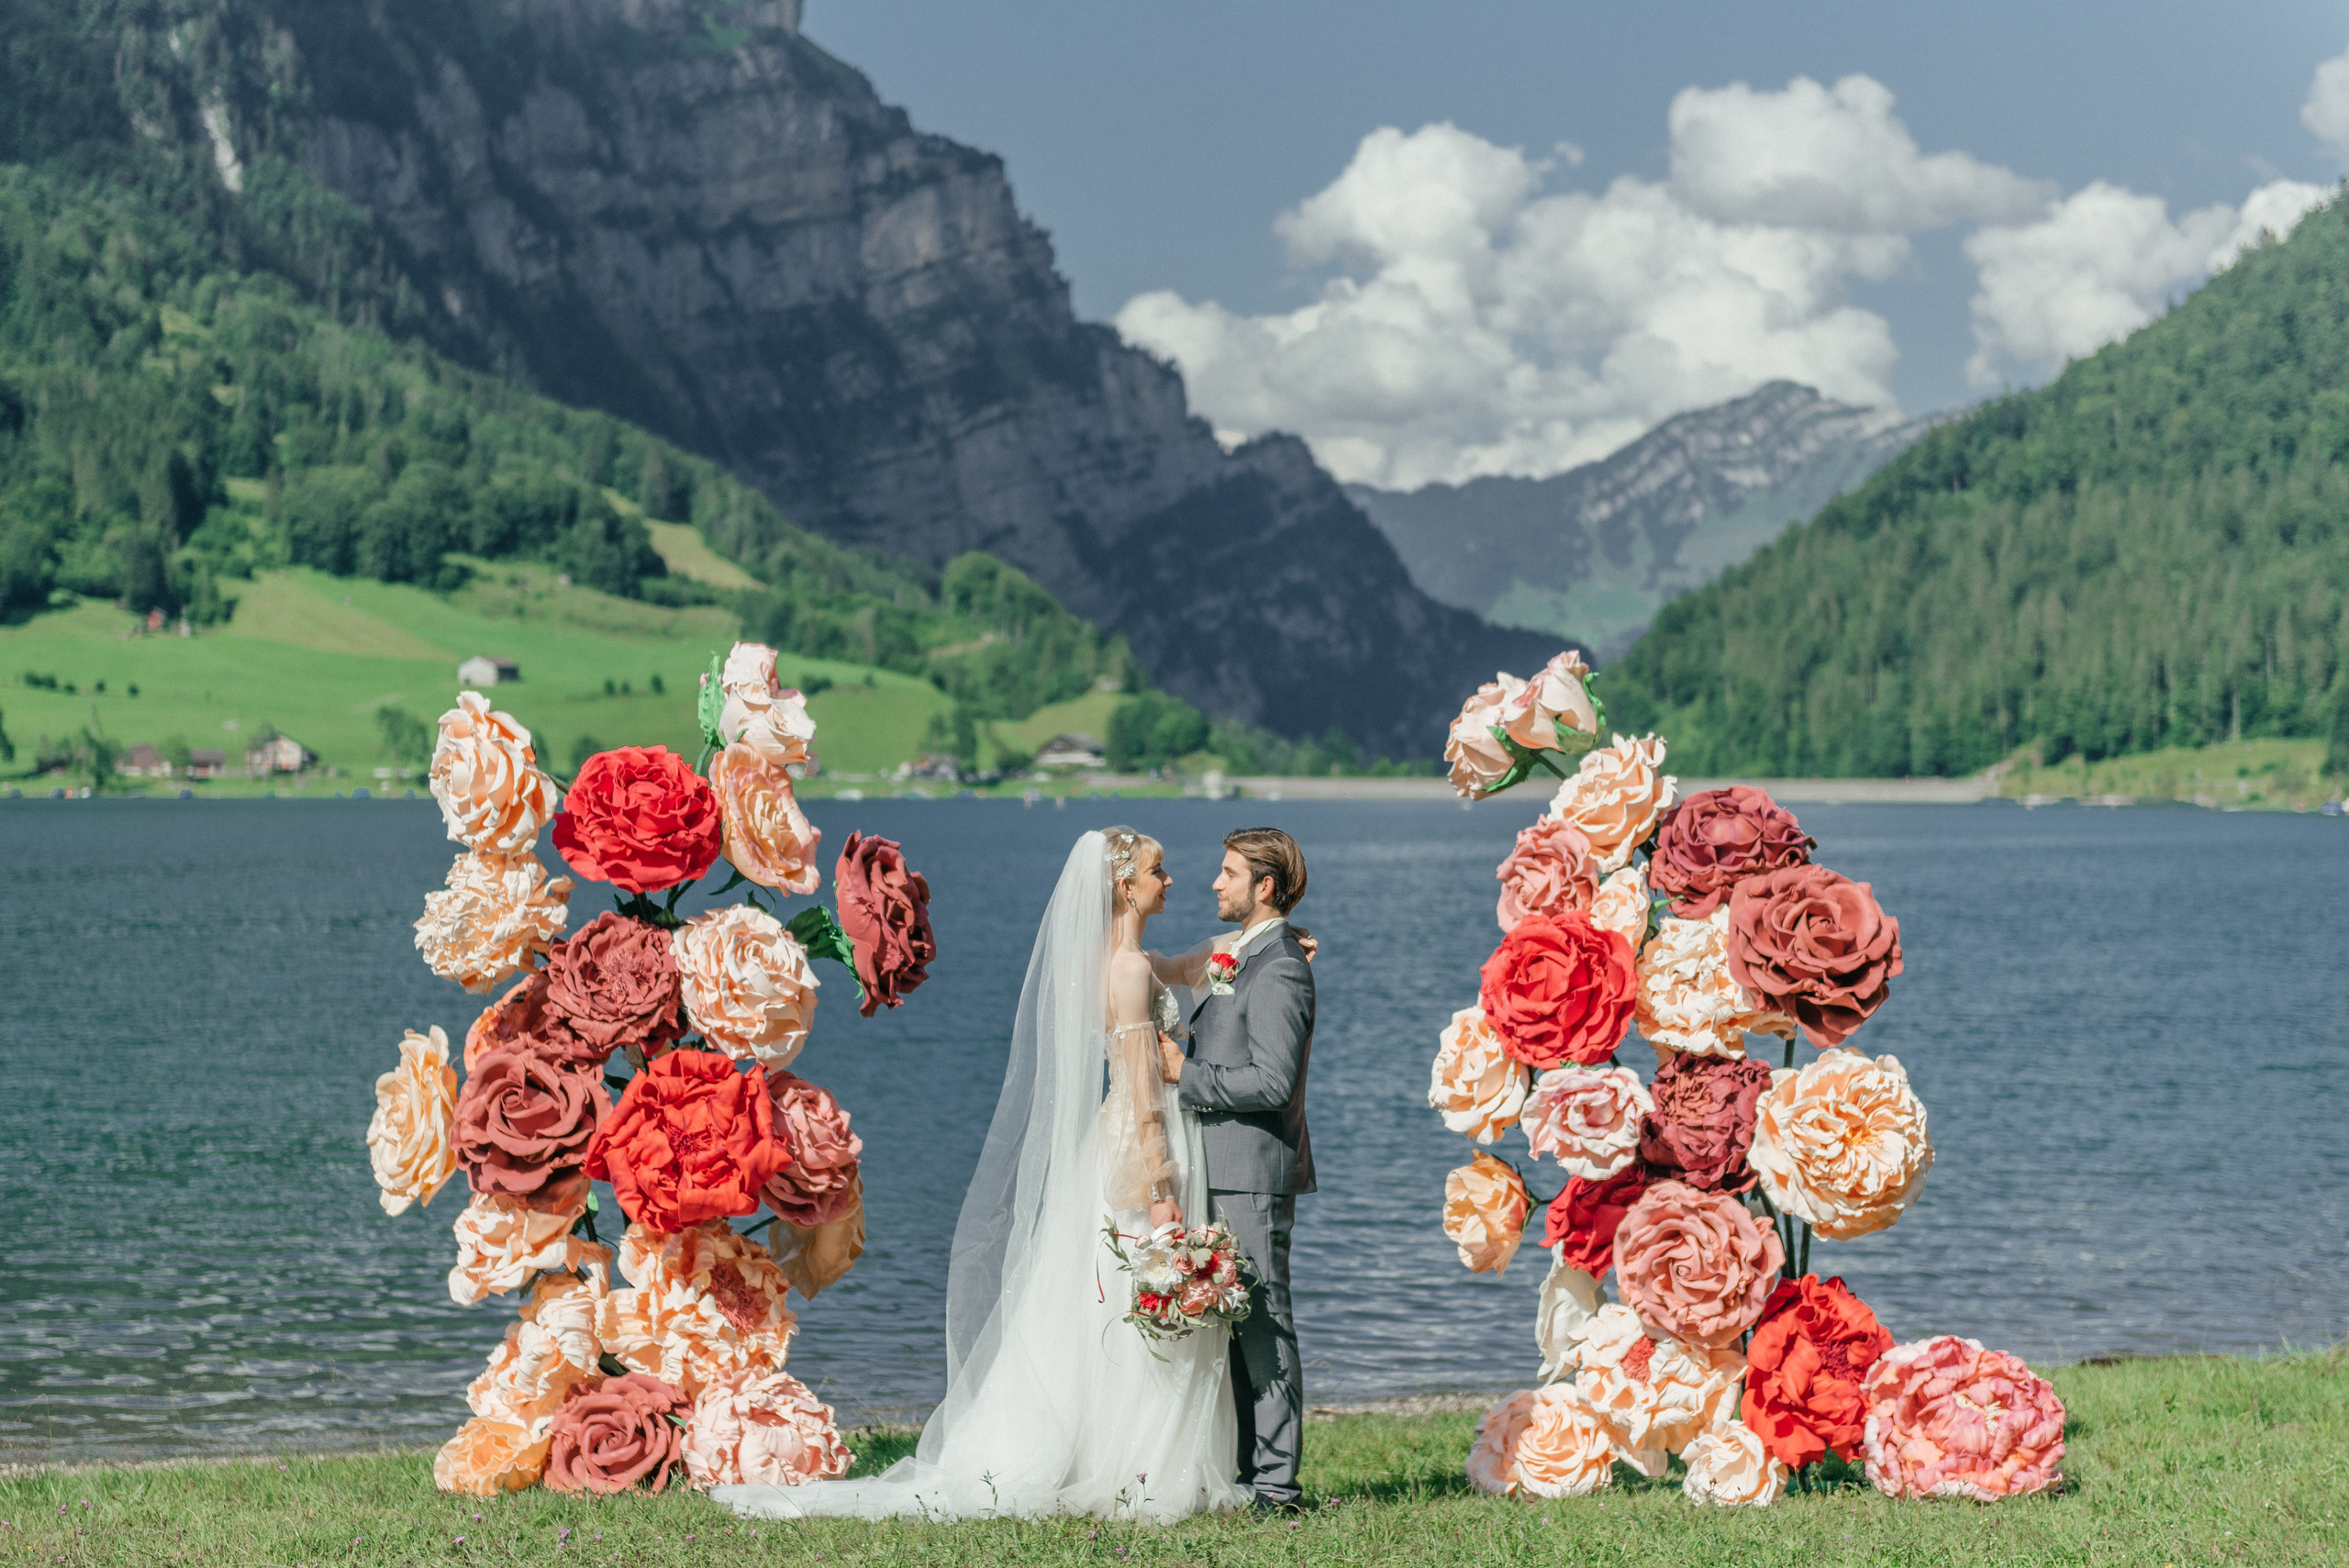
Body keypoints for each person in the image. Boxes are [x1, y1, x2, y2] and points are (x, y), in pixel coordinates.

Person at [714, 828, 1249, 1522]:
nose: (1170, 879)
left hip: (1108, 1140)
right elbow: (1146, 1092)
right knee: (1136, 1286)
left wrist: (1249, 944)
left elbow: (1179, 966)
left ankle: (1107, 1446)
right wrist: (1162, 1188)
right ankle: (1139, 1458)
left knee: (1102, 1295)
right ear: (1125, 885)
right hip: (1141, 1146)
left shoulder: (1120, 960)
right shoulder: (1126, 970)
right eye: (1158, 869)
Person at [1152, 827, 1316, 1514]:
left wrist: (1183, 1074)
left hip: (1252, 1170)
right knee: (1230, 1318)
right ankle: (1245, 1471)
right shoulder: (1240, 955)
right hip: (1215, 1167)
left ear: (1264, 886)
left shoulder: (1278, 965)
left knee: (1264, 1320)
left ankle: (1278, 1483)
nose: (1215, 883)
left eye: (1227, 873)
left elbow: (1273, 1081)